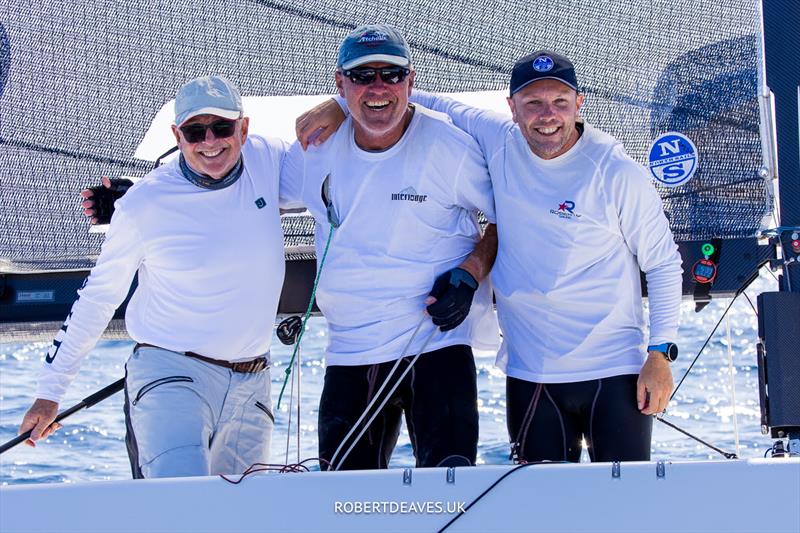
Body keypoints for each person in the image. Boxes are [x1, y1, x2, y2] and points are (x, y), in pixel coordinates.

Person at [80, 26, 499, 471]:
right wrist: (142, 194)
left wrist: (472, 272)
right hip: (351, 353)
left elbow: (505, 215)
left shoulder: (450, 146)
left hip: (437, 346)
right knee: (341, 503)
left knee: (453, 490)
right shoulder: (315, 151)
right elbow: (224, 175)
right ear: (340, 84)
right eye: (361, 77)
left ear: (410, 81)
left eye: (391, 75)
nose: (378, 87)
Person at [299, 50, 682, 463]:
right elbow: (418, 98)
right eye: (533, 103)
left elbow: (663, 263)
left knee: (622, 510)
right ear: (512, 108)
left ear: (579, 103)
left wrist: (660, 353)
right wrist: (340, 104)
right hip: (531, 373)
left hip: (613, 369)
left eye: (560, 102)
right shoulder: (498, 140)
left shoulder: (615, 172)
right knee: (539, 512)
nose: (547, 115)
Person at [19, 75, 289, 478]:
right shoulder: (143, 204)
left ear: (244, 128)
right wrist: (49, 393)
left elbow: (347, 168)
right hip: (172, 375)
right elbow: (97, 299)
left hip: (253, 381)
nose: (210, 141)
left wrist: (336, 107)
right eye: (196, 131)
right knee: (179, 507)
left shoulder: (269, 160)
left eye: (222, 128)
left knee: (245, 516)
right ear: (177, 135)